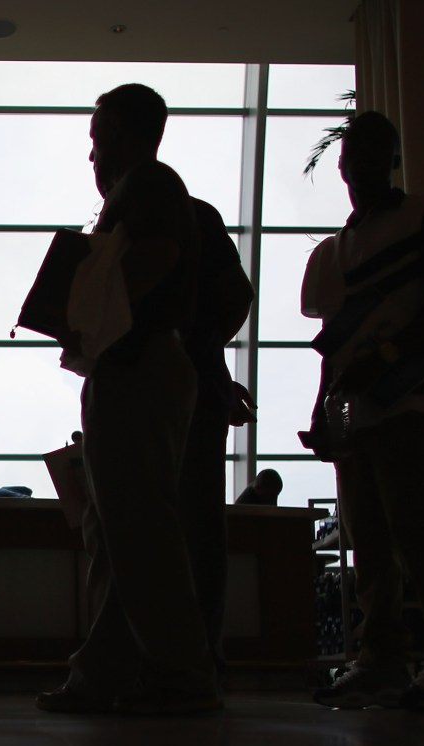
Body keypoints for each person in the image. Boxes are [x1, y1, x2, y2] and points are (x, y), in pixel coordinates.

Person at [37, 83, 218, 715]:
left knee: (137, 528)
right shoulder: (146, 190)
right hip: (134, 364)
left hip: (136, 365)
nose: (91, 152)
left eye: (97, 136)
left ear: (122, 136)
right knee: (118, 530)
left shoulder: (148, 187)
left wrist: (92, 317)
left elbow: (156, 258)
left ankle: (178, 675)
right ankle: (111, 671)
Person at [301, 111, 424, 711]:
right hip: (354, 409)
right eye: (355, 152)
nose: (361, 163)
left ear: (392, 158)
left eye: (375, 151)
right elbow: (333, 339)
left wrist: (389, 356)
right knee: (368, 538)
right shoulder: (336, 250)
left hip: (411, 398)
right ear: (344, 163)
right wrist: (324, 407)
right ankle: (381, 657)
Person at [180, 196, 256, 687]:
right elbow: (237, 295)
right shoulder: (196, 216)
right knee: (200, 524)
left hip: (189, 386)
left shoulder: (123, 223)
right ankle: (201, 655)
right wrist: (206, 352)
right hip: (200, 383)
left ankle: (187, 655)